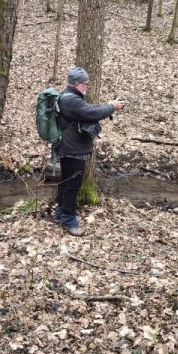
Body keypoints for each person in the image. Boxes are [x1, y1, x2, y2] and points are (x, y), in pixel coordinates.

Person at [55, 66, 124, 236]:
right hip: (73, 150)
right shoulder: (71, 100)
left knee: (66, 182)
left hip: (69, 147)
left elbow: (87, 110)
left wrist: (106, 106)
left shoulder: (69, 97)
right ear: (77, 84)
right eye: (86, 84)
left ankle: (60, 212)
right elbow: (90, 113)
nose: (88, 86)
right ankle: (69, 220)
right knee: (73, 185)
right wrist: (111, 107)